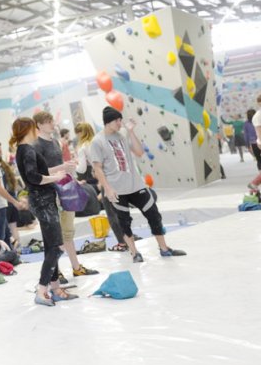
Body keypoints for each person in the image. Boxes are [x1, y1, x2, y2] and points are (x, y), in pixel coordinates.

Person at [89, 106, 187, 262]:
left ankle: (164, 248)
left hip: (137, 185)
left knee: (154, 215)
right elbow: (97, 168)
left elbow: (139, 152)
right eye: (117, 120)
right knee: (124, 222)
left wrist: (131, 131)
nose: (120, 123)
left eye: (120, 120)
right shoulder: (97, 141)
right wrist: (107, 188)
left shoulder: (121, 135)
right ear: (108, 122)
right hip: (117, 189)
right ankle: (135, 253)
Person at [12, 117, 78, 306]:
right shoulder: (27, 150)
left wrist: (56, 174)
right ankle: (42, 290)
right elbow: (33, 177)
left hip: (42, 199)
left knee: (51, 246)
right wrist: (55, 178)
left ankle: (55, 287)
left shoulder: (23, 149)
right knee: (57, 246)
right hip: (42, 200)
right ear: (29, 129)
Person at [32, 111, 98, 278]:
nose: (52, 123)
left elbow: (55, 166)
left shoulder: (55, 142)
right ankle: (56, 272)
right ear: (39, 125)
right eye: (48, 121)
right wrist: (62, 168)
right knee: (54, 235)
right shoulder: (36, 145)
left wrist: (67, 167)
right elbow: (37, 173)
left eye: (51, 120)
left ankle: (76, 267)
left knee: (68, 231)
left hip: (65, 189)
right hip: (49, 193)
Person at [75, 122, 124, 250]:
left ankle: (122, 243)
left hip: (105, 179)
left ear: (80, 133)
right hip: (116, 176)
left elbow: (81, 168)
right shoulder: (99, 140)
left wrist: (72, 165)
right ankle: (127, 238)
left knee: (111, 212)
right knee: (120, 209)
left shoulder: (83, 147)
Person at [246, 109, 261, 183]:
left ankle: (260, 173)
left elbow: (246, 135)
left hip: (253, 143)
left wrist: (248, 145)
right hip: (258, 141)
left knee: (258, 158)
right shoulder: (258, 119)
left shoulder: (246, 123)